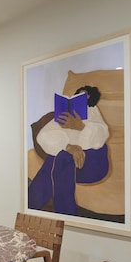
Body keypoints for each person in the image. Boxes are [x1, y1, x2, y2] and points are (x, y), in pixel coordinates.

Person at [28, 85, 109, 216]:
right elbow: (43, 135)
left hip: (93, 163)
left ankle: (51, 211)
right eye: (80, 95)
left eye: (86, 95)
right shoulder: (65, 114)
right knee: (59, 158)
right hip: (69, 163)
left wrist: (81, 127)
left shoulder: (93, 111)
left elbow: (101, 136)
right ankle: (32, 208)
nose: (84, 98)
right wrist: (68, 146)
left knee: (61, 158)